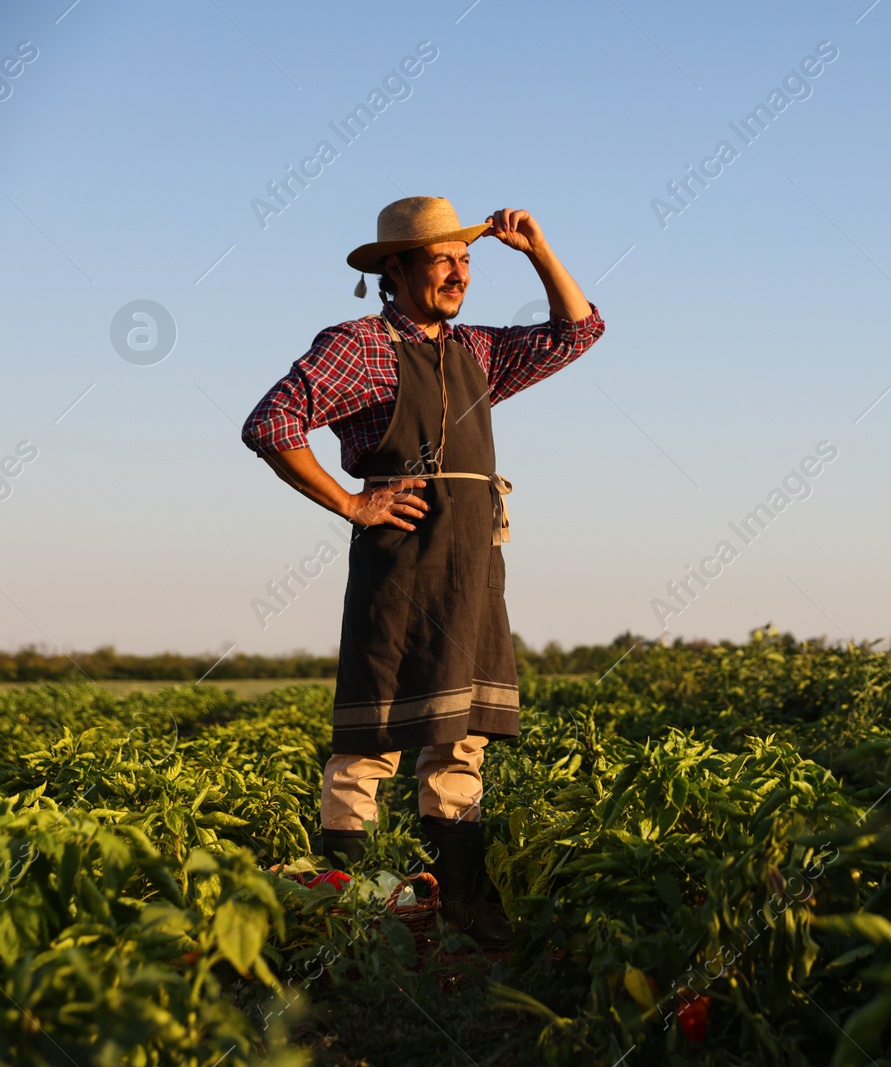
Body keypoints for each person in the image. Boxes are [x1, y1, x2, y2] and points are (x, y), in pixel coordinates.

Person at [241, 196, 605, 946]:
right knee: (371, 740)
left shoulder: (475, 349)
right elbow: (271, 423)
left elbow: (579, 331)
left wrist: (536, 248)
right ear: (397, 270)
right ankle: (341, 918)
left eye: (465, 260)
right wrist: (350, 502)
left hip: (472, 564)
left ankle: (461, 910)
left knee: (460, 738)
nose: (457, 272)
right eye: (441, 259)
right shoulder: (361, 345)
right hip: (403, 565)